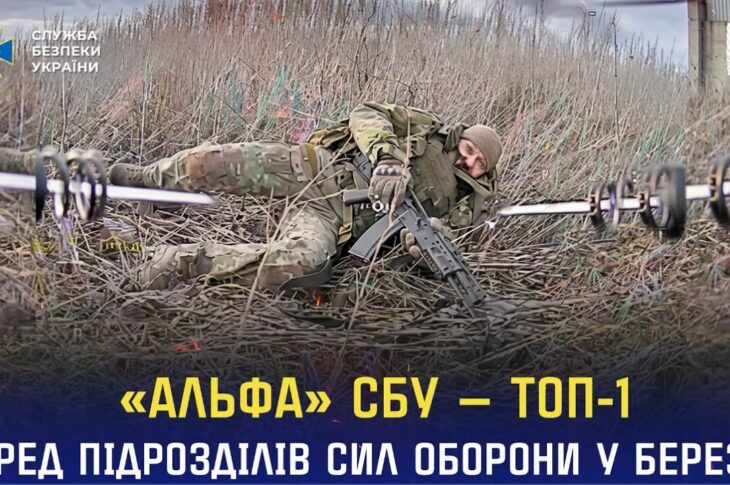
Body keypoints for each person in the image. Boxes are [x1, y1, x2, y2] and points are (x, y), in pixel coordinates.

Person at [2, 102, 502, 291]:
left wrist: (421, 244)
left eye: (479, 162)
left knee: (299, 265)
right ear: (462, 138)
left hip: (335, 218)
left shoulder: (470, 205)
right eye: (469, 150)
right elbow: (366, 114)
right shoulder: (426, 128)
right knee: (200, 165)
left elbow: (440, 246)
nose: (469, 162)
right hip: (317, 166)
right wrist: (388, 158)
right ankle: (53, 173)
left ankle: (176, 263)